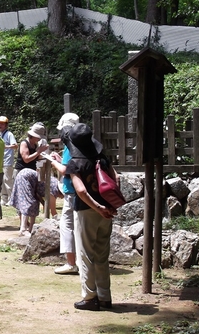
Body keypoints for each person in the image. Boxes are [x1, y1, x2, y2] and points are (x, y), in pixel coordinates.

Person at [65, 123, 118, 311]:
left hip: (87, 211)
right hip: (107, 212)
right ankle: (105, 297)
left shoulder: (74, 163)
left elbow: (80, 190)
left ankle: (89, 297)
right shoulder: (102, 158)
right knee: (102, 254)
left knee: (85, 255)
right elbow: (115, 179)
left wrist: (97, 207)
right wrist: (109, 206)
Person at [49, 112, 80, 275]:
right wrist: (60, 160)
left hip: (72, 191)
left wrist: (54, 162)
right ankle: (81, 261)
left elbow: (67, 170)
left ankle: (71, 263)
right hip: (82, 190)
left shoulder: (70, 144)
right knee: (81, 226)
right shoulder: (84, 142)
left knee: (67, 226)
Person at [9, 168, 59, 237]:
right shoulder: (54, 189)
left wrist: (43, 203)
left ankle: (31, 228)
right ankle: (23, 229)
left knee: (34, 202)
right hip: (26, 177)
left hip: (29, 179)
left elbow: (38, 193)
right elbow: (53, 212)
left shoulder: (55, 184)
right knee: (28, 202)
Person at [0, 116, 17, 206]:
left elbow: (15, 145)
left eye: (2, 124)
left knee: (7, 180)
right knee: (1, 180)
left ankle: (11, 198)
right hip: (1, 160)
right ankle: (4, 198)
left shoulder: (9, 134)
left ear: (6, 125)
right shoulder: (0, 135)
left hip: (8, 160)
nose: (0, 125)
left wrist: (6, 147)